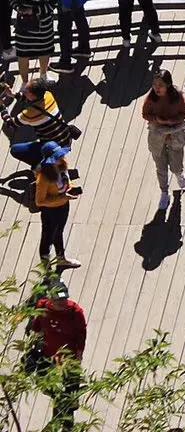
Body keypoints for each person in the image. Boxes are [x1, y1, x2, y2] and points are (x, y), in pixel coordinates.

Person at [26, 278, 85, 430]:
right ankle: (58, 397)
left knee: (71, 394)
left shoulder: (75, 312)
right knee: (42, 382)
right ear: (51, 299)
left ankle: (67, 423)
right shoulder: (43, 307)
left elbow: (81, 334)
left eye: (64, 300)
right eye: (59, 301)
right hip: (48, 352)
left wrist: (79, 354)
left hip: (68, 357)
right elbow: (37, 327)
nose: (63, 304)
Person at [141, 70, 185, 211]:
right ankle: (164, 192)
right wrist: (157, 120)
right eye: (155, 85)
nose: (157, 88)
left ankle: (179, 174)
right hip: (157, 135)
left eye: (160, 85)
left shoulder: (178, 96)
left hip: (175, 134)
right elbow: (145, 114)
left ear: (168, 84)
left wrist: (170, 121)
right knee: (160, 167)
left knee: (176, 164)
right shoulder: (151, 98)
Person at [10, 0, 57, 81]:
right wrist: (19, 8)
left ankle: (43, 75)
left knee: (44, 52)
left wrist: (34, 10)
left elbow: (52, 4)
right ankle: (25, 82)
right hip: (23, 27)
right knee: (22, 55)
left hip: (42, 28)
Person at [36, 141, 80, 269]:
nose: (61, 158)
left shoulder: (62, 165)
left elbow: (67, 180)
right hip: (50, 211)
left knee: (59, 232)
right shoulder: (43, 178)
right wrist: (62, 197)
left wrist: (71, 189)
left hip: (63, 206)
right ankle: (46, 269)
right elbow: (40, 201)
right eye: (57, 157)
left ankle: (61, 259)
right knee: (47, 238)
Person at [9, 78, 77, 146]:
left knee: (15, 149)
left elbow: (12, 124)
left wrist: (2, 107)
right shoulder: (48, 95)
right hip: (66, 138)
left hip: (53, 147)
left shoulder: (29, 114)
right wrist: (13, 95)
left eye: (25, 91)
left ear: (32, 95)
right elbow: (31, 100)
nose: (23, 91)